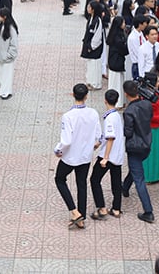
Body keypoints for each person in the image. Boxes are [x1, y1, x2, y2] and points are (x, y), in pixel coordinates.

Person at [54, 83, 102, 229]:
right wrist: (92, 145)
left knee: (60, 179)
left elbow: (66, 140)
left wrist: (58, 150)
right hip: (85, 156)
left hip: (70, 157)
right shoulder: (93, 113)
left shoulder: (68, 116)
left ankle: (74, 211)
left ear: (73, 94)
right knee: (82, 184)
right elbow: (99, 136)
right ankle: (81, 218)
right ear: (86, 96)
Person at [121, 80, 155, 223]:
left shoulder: (128, 111)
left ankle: (148, 211)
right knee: (135, 169)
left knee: (139, 179)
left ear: (126, 94)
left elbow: (128, 132)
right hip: (146, 144)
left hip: (134, 146)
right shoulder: (147, 105)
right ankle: (125, 187)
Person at [89, 89, 125, 220]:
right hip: (118, 154)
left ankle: (102, 208)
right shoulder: (116, 115)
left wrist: (105, 158)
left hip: (108, 155)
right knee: (116, 180)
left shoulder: (109, 118)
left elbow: (111, 137)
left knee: (94, 179)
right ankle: (116, 208)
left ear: (105, 100)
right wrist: (99, 143)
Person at [0, 7, 18, 100]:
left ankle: (6, 92)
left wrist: (9, 55)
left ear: (5, 17)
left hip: (7, 58)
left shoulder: (11, 29)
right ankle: (1, 88)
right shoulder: (0, 26)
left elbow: (14, 44)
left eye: (0, 15)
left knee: (7, 75)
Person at [81, 1, 105, 90]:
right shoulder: (91, 18)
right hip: (89, 46)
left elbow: (98, 37)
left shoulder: (97, 21)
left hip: (94, 48)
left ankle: (96, 84)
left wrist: (91, 47)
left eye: (89, 7)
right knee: (90, 65)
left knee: (95, 65)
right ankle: (90, 81)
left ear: (93, 9)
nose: (88, 9)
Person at [106, 16, 128, 99]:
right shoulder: (118, 37)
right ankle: (118, 101)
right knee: (117, 82)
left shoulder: (114, 34)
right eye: (123, 23)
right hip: (117, 61)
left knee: (115, 81)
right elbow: (123, 49)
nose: (124, 24)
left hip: (113, 61)